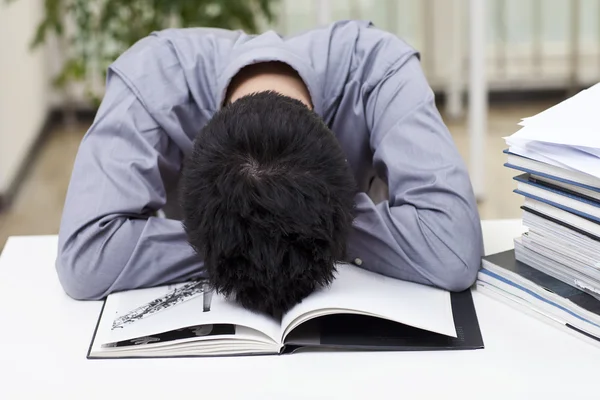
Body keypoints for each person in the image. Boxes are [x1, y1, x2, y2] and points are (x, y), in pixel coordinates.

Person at [56, 20, 484, 317]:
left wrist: (266, 233)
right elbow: (85, 258)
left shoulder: (378, 67)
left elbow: (452, 248)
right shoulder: (150, 75)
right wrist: (277, 238)